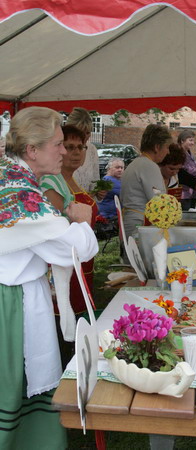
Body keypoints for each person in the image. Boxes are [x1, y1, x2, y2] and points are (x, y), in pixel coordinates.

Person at [0, 106, 98, 450]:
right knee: (12, 386)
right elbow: (77, 249)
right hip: (10, 304)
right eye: (57, 144)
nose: (63, 151)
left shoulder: (8, 178)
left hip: (10, 294)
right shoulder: (24, 197)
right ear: (32, 150)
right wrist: (81, 219)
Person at [40, 125, 98, 317]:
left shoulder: (72, 181)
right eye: (69, 146)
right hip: (65, 266)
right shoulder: (52, 184)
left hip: (84, 263)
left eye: (80, 147)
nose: (76, 153)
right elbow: (60, 231)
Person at [120, 124, 172, 239]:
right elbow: (159, 201)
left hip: (131, 221)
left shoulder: (136, 163)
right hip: (139, 224)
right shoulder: (149, 166)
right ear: (157, 147)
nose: (168, 152)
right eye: (167, 147)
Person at [159, 143, 196, 210]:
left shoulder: (179, 173)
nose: (175, 172)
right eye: (171, 168)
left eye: (178, 168)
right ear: (161, 164)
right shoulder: (154, 175)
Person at [66, 107, 100, 193]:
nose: (84, 137)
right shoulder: (60, 150)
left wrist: (98, 193)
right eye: (80, 132)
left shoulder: (92, 150)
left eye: (88, 132)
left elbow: (95, 185)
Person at [177, 130, 196, 210]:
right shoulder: (179, 153)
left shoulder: (188, 152)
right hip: (184, 192)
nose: (193, 143)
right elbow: (180, 172)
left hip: (192, 192)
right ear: (182, 140)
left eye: (193, 140)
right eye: (190, 140)